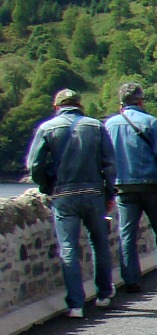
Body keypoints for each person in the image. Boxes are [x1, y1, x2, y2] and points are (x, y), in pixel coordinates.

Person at [26, 89, 117, 318]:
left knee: (68, 248)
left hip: (64, 194)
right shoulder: (95, 126)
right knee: (99, 243)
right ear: (79, 105)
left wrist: (47, 186)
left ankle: (76, 304)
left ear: (57, 107)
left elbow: (34, 165)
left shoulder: (47, 128)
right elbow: (109, 164)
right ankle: (104, 294)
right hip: (93, 192)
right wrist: (109, 193)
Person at [104, 82, 157, 291]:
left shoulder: (110, 125)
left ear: (121, 103)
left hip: (123, 187)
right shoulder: (151, 122)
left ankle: (130, 279)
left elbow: (105, 159)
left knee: (127, 234)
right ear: (141, 100)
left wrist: (108, 187)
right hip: (152, 185)